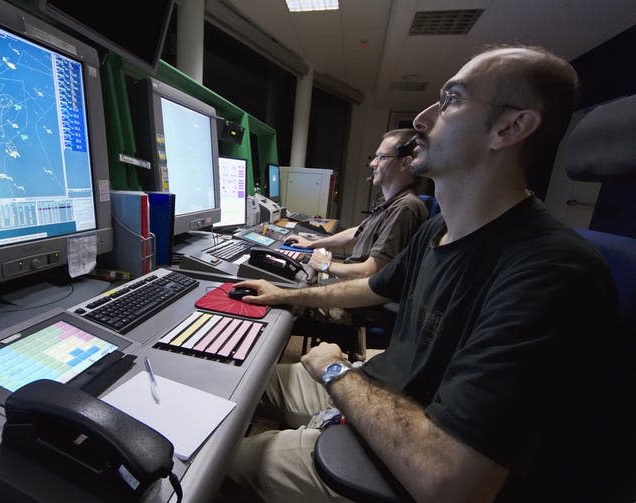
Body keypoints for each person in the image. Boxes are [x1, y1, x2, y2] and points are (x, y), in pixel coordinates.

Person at [221, 44, 634, 502]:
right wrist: (283, 296)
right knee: (238, 377)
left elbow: (449, 480)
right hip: (374, 388)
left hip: (403, 444)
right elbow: (371, 287)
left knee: (221, 463)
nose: (421, 118)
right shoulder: (439, 227)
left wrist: (337, 370)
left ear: (510, 127)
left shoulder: (553, 271)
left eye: (452, 98)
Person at [286, 128, 428, 280]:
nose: (373, 164)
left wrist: (326, 266)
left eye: (381, 157)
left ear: (405, 163)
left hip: (359, 291)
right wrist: (311, 244)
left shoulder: (405, 207)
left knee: (289, 288)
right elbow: (356, 232)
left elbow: (371, 272)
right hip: (352, 280)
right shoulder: (389, 203)